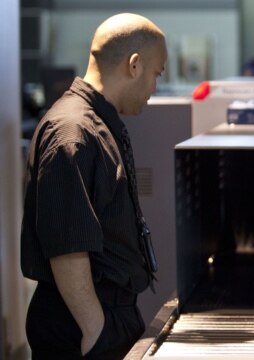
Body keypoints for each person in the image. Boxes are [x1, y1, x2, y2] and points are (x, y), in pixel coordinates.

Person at [21, 13, 167, 359]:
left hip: (102, 315)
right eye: (156, 73)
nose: (154, 88)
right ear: (134, 65)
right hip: (81, 324)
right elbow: (67, 247)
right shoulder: (74, 132)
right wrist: (95, 330)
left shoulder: (96, 122)